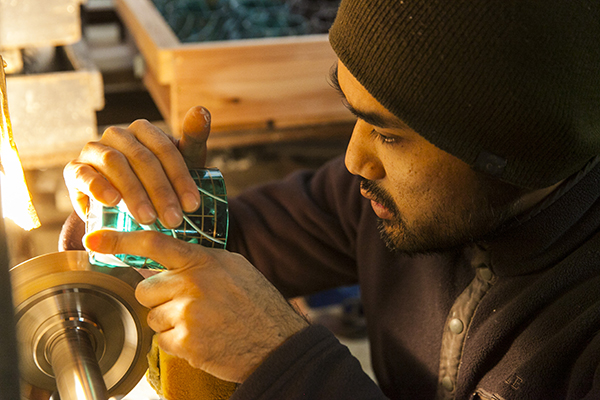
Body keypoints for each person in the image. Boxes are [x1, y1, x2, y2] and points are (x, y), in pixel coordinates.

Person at [60, 0, 600, 398]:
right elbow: (237, 252)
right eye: (354, 115)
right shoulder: (377, 201)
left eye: (389, 135)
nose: (354, 161)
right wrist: (148, 212)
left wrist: (283, 360)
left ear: (512, 147)